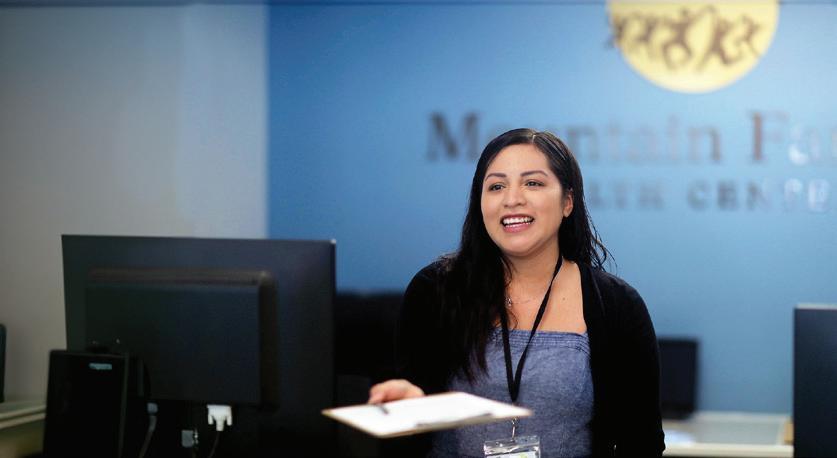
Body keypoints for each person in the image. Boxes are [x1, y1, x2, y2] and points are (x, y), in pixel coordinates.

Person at [369, 128, 665, 457]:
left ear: (568, 201)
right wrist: (406, 407)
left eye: (533, 183)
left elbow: (642, 442)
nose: (512, 199)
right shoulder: (435, 291)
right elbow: (407, 420)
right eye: (496, 186)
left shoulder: (617, 305)